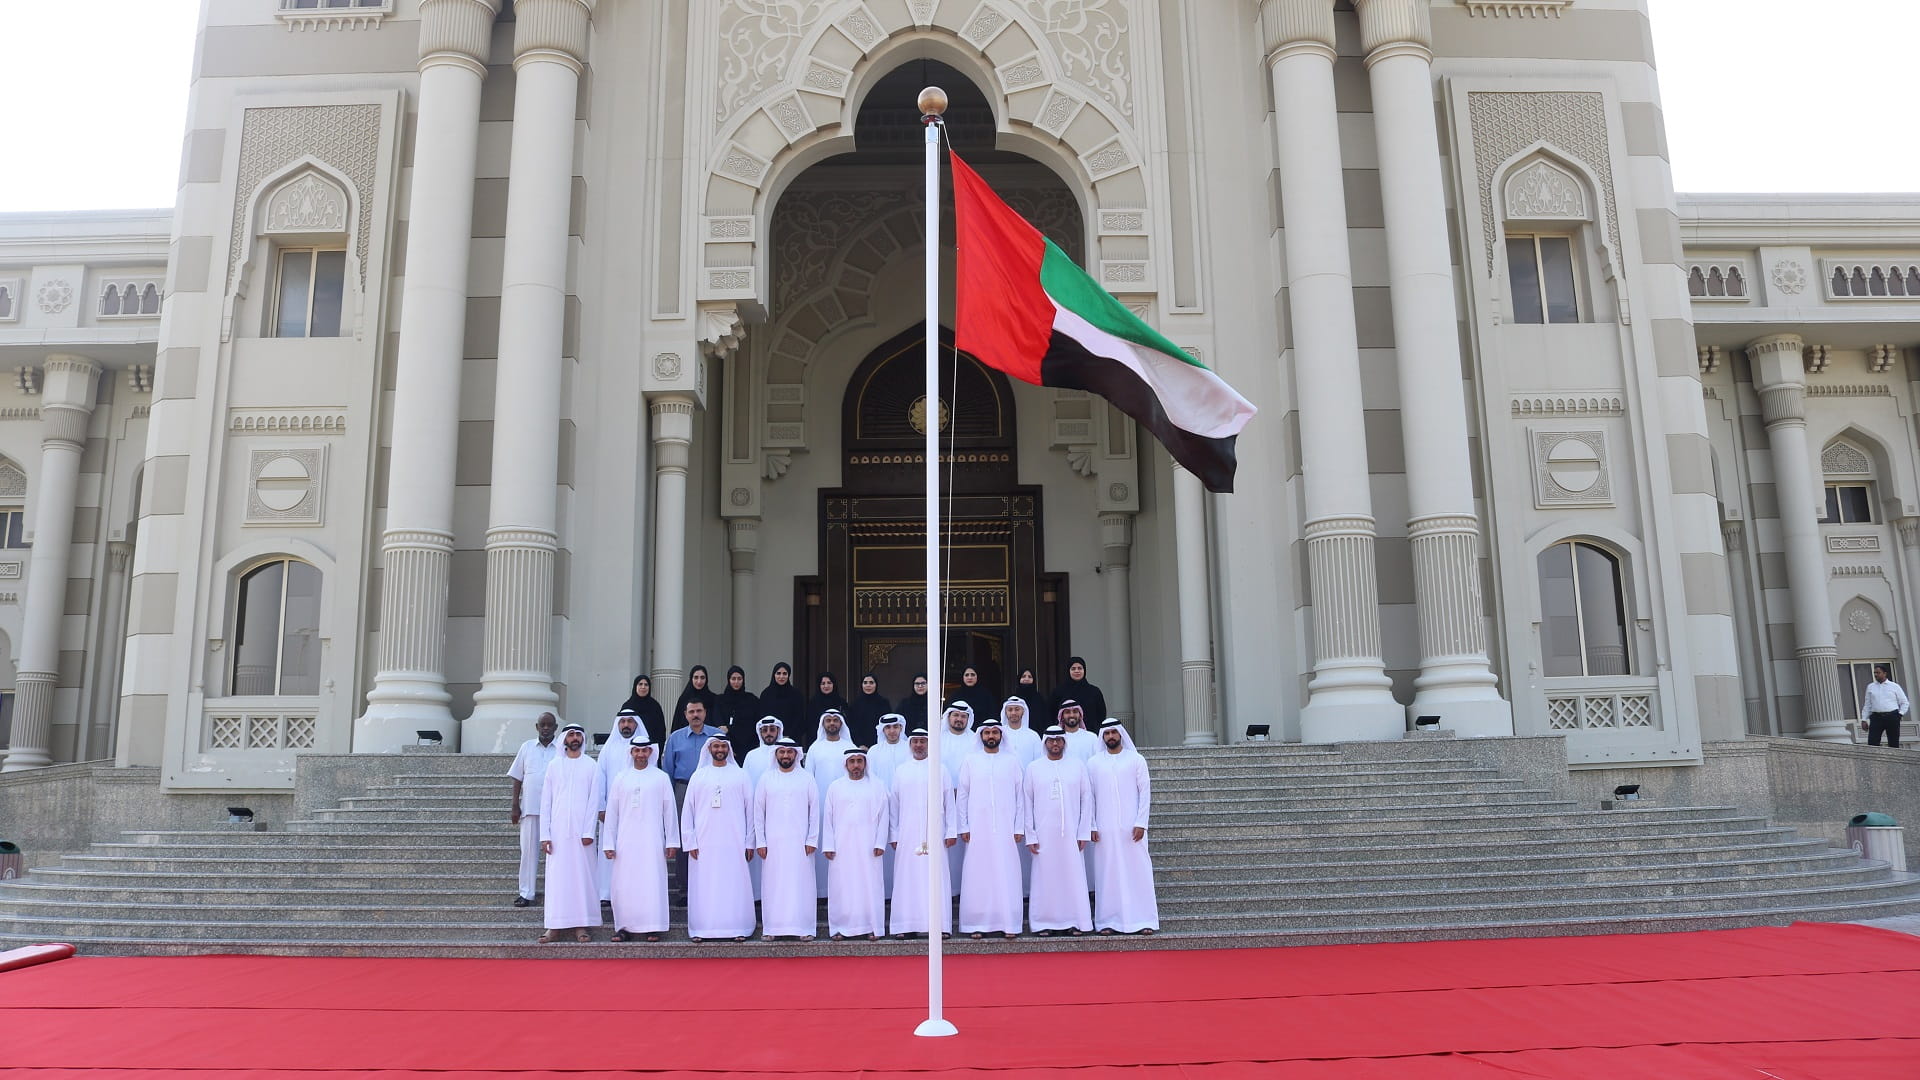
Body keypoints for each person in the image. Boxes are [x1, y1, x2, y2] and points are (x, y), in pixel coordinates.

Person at [602, 733, 678, 942]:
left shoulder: (660, 777)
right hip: (625, 840)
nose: (641, 754)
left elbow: (669, 811)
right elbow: (612, 812)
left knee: (652, 881)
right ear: (632, 752)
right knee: (624, 883)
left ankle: (652, 926)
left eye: (645, 750)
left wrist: (672, 841)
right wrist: (609, 842)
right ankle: (624, 927)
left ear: (650, 752)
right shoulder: (621, 777)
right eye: (637, 750)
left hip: (652, 839)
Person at [680, 734, 757, 942]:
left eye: (723, 745)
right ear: (709, 749)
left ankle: (738, 928)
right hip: (704, 842)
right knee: (704, 884)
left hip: (735, 841)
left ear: (728, 749)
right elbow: (688, 811)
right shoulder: (698, 776)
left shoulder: (741, 775)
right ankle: (702, 929)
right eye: (716, 746)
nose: (720, 749)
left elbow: (750, 812)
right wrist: (690, 841)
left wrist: (750, 841)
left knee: (733, 883)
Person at [956, 718, 1026, 938]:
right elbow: (963, 794)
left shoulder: (1012, 761)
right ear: (981, 737)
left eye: (995, 732)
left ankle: (1009, 924)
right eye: (987, 733)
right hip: (978, 828)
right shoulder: (970, 760)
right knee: (978, 874)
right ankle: (976, 924)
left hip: (1006, 827)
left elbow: (1020, 796)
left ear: (1001, 735)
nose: (991, 737)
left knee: (1006, 873)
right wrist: (964, 825)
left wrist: (1019, 827)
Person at [1088, 719, 1158, 935]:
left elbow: (1145, 793)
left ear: (1120, 734)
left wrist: (1141, 823)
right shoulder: (1093, 763)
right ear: (1102, 736)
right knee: (1107, 874)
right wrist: (1091, 825)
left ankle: (1143, 920)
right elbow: (1089, 797)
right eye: (1106, 733)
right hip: (1104, 829)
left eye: (1114, 733)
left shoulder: (1136, 760)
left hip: (1132, 829)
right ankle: (1108, 922)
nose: (1110, 736)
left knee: (1138, 872)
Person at [537, 723, 605, 943]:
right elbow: (545, 802)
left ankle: (581, 926)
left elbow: (594, 799)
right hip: (557, 833)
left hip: (581, 835)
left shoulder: (590, 765)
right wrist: (544, 835)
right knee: (557, 880)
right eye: (571, 734)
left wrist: (588, 831)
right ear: (565, 739)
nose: (575, 738)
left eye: (578, 734)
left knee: (581, 879)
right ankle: (553, 927)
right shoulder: (554, 766)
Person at [1025, 727, 1094, 936]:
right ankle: (1043, 922)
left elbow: (1087, 799)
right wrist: (1030, 834)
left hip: (1072, 835)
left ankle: (1075, 921)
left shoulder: (1077, 765)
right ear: (1045, 742)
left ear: (1064, 743)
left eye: (1059, 741)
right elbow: (1026, 802)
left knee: (1072, 876)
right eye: (1051, 741)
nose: (1055, 744)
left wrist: (1083, 832)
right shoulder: (1033, 768)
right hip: (1043, 834)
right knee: (1045, 878)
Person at [888, 728, 957, 937]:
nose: (919, 745)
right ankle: (905, 926)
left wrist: (951, 830)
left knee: (935, 875)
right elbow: (894, 806)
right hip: (907, 835)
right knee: (907, 877)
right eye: (915, 741)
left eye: (923, 741)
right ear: (910, 745)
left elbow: (950, 802)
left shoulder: (940, 769)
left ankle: (939, 926)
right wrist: (894, 834)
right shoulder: (901, 770)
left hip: (935, 834)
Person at [753, 737, 819, 940]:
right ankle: (772, 929)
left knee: (802, 885)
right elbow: (758, 812)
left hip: (801, 844)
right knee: (774, 884)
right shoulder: (766, 778)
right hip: (773, 844)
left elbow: (815, 812)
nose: (785, 755)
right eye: (781, 752)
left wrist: (812, 840)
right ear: (776, 755)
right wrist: (761, 841)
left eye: (789, 752)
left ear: (796, 754)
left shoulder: (807, 778)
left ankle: (804, 928)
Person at [822, 746, 889, 940]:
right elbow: (828, 817)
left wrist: (880, 843)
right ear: (846, 764)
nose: (856, 765)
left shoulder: (877, 786)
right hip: (841, 846)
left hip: (869, 847)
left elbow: (884, 816)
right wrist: (828, 845)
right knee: (842, 886)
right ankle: (841, 927)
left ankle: (871, 927)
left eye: (860, 761)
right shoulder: (835, 787)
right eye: (852, 761)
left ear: (865, 763)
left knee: (869, 885)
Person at [662, 699, 720, 900]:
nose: (695, 715)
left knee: (711, 836)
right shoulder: (675, 738)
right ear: (685, 715)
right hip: (683, 789)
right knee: (684, 837)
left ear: (705, 713)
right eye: (691, 711)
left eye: (699, 711)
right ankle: (685, 888)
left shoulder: (716, 736)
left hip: (711, 791)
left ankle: (710, 885)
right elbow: (668, 769)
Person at [506, 712, 559, 908]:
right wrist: (514, 804)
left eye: (549, 725)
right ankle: (526, 893)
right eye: (542, 725)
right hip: (529, 808)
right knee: (528, 852)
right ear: (536, 727)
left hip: (555, 811)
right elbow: (517, 777)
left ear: (556, 728)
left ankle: (556, 892)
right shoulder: (526, 747)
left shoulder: (561, 749)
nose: (545, 728)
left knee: (556, 853)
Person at [595, 708, 647, 906]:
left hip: (639, 810)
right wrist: (601, 807)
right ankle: (606, 893)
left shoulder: (644, 749)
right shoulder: (608, 749)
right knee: (609, 849)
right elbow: (600, 779)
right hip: (612, 810)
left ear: (636, 724)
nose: (626, 725)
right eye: (623, 722)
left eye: (630, 721)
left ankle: (635, 889)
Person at [807, 709, 854, 897]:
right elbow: (809, 778)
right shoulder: (814, 748)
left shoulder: (849, 746)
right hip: (819, 806)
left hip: (845, 805)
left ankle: (842, 891)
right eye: (828, 720)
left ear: (841, 723)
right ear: (823, 724)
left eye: (835, 720)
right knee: (821, 848)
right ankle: (821, 892)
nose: (832, 723)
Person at [712, 665, 763, 761]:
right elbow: (718, 722)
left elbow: (752, 724)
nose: (736, 682)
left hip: (747, 748)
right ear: (728, 680)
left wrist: (730, 729)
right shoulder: (720, 700)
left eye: (739, 679)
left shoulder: (752, 700)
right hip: (725, 748)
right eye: (733, 679)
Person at [1051, 657, 1108, 729]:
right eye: (1073, 669)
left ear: (1084, 670)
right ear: (1068, 671)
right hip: (1065, 734)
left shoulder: (1094, 691)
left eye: (1080, 668)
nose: (1077, 671)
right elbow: (1052, 713)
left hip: (1090, 733)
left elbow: (1101, 715)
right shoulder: (1059, 691)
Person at [1862, 663, 1910, 747]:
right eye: (1875, 673)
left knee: (1893, 742)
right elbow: (1867, 704)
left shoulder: (1894, 686)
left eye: (1878, 672)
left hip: (1892, 716)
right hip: (1876, 717)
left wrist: (1900, 714)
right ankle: (1875, 759)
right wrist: (1864, 719)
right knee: (1872, 742)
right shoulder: (1871, 687)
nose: (1876, 675)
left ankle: (1894, 759)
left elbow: (1904, 702)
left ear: (1884, 673)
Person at [758, 662, 808, 736]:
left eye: (785, 673)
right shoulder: (766, 694)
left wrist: (789, 734)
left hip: (792, 738)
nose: (781, 677)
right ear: (774, 675)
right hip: (771, 737)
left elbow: (799, 718)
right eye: (778, 673)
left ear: (788, 675)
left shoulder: (796, 695)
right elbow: (763, 717)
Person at [619, 674, 667, 749]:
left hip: (650, 749)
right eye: (640, 684)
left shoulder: (655, 706)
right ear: (635, 686)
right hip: (630, 748)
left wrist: (657, 750)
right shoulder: (627, 706)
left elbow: (661, 731)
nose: (643, 687)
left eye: (646, 685)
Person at [741, 716, 790, 787]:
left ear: (778, 731)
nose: (768, 733)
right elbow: (744, 782)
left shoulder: (786, 755)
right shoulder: (751, 756)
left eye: (772, 729)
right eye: (765, 730)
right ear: (760, 732)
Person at [805, 673, 851, 748]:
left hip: (839, 742)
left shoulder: (841, 702)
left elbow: (846, 723)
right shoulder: (813, 703)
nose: (826, 686)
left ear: (834, 684)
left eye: (829, 683)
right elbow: (810, 725)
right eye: (823, 683)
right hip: (818, 742)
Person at [846, 672, 891, 747]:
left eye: (871, 682)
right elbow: (852, 725)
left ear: (876, 685)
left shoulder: (883, 703)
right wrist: (860, 744)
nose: (868, 685)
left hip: (880, 744)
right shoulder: (855, 704)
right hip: (860, 746)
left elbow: (887, 724)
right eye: (865, 683)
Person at [670, 665, 719, 733]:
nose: (699, 681)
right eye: (696, 677)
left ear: (706, 679)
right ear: (691, 679)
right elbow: (677, 724)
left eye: (702, 678)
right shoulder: (684, 699)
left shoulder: (713, 699)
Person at [998, 696, 1043, 766]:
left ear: (1023, 711)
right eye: (1010, 710)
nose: (1013, 713)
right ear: (1005, 712)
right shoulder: (999, 734)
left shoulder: (1033, 735)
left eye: (1017, 709)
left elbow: (1039, 761)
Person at [938, 702, 976, 781]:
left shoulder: (975, 739)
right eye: (955, 715)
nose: (959, 719)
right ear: (948, 717)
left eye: (963, 716)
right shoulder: (938, 739)